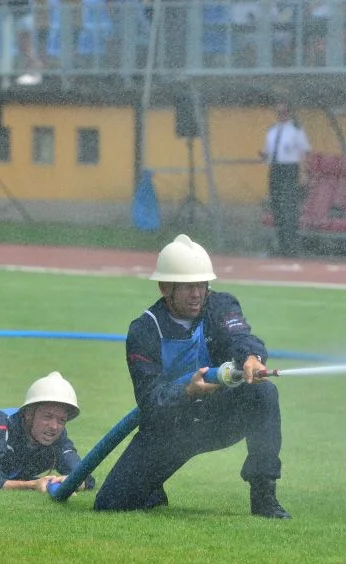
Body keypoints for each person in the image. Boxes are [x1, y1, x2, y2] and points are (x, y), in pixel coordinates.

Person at [93, 234, 291, 519]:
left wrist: (251, 357)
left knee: (263, 393)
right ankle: (151, 488)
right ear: (165, 288)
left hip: (218, 418)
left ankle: (264, 496)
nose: (197, 293)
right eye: (187, 287)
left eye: (201, 285)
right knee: (111, 504)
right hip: (171, 428)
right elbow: (150, 399)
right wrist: (187, 390)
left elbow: (240, 338)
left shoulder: (220, 305)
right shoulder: (144, 331)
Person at [260, 102, 311, 257]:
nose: (281, 115)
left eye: (284, 112)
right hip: (276, 169)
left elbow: (303, 152)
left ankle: (292, 246)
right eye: (278, 112)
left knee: (289, 208)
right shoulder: (272, 130)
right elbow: (267, 151)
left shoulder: (296, 129)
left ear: (289, 113)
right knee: (277, 207)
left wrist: (303, 173)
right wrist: (263, 156)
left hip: (290, 169)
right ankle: (281, 245)